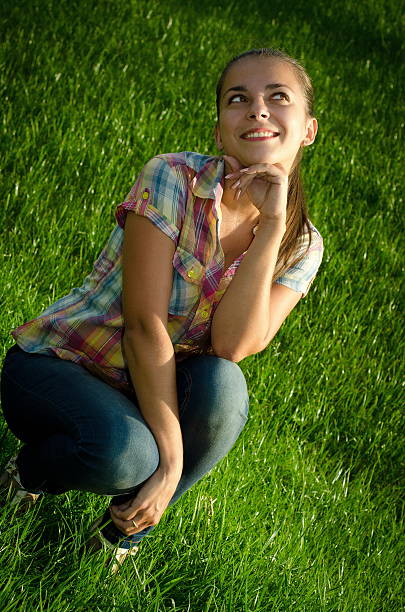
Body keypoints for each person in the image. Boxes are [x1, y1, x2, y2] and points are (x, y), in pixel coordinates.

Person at [0, 48, 323, 572]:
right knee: (129, 455)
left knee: (226, 388)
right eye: (238, 99)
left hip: (151, 390)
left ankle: (119, 536)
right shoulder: (172, 177)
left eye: (277, 98)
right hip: (60, 366)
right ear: (220, 131)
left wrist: (270, 228)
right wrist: (171, 464)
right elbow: (144, 325)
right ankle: (27, 472)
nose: (257, 110)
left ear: (307, 129)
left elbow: (232, 346)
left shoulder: (303, 245)